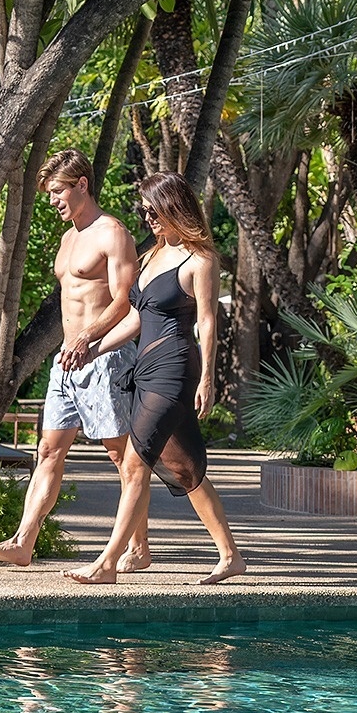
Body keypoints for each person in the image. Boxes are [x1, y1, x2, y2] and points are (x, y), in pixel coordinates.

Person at [68, 171, 247, 586]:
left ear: (173, 206)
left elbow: (207, 322)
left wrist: (208, 380)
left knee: (134, 462)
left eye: (153, 209)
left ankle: (108, 562)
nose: (147, 216)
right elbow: (135, 316)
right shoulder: (151, 256)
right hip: (146, 372)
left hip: (174, 370)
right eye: (144, 210)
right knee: (184, 469)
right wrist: (94, 349)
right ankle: (231, 555)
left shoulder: (199, 260)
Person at [0, 149, 148, 569]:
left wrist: (89, 336)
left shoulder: (113, 234)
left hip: (105, 357)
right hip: (66, 362)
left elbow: (125, 303)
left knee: (122, 457)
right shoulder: (69, 236)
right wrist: (71, 342)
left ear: (82, 185)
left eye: (58, 192)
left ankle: (139, 548)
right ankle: (23, 542)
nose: (52, 200)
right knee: (49, 451)